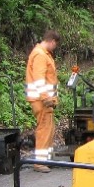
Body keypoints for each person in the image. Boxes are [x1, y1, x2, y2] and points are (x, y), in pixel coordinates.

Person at [25, 30, 60, 172]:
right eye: (55, 45)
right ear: (52, 41)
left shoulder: (43, 54)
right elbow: (39, 79)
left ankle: (47, 158)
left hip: (45, 100)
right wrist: (46, 98)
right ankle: (39, 162)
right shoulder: (40, 55)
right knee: (44, 130)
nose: (55, 48)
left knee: (49, 129)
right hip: (42, 101)